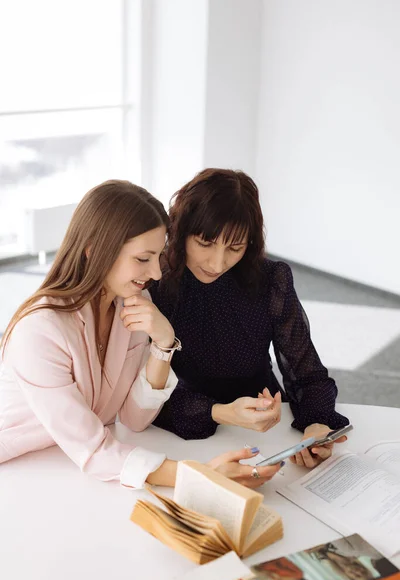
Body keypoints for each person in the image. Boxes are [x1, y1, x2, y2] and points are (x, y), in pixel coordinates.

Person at [0, 180, 280, 489]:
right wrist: (201, 474)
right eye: (143, 259)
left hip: (67, 464)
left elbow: (135, 419)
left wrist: (163, 344)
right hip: (17, 470)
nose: (157, 274)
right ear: (95, 251)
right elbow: (94, 450)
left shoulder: (134, 307)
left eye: (159, 257)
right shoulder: (40, 331)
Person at [151, 168, 349, 468]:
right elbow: (139, 394)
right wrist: (221, 412)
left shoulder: (270, 279)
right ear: (180, 230)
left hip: (262, 424)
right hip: (180, 423)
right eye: (205, 243)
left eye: (235, 248)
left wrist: (317, 426)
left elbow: (307, 373)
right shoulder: (155, 281)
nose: (218, 263)